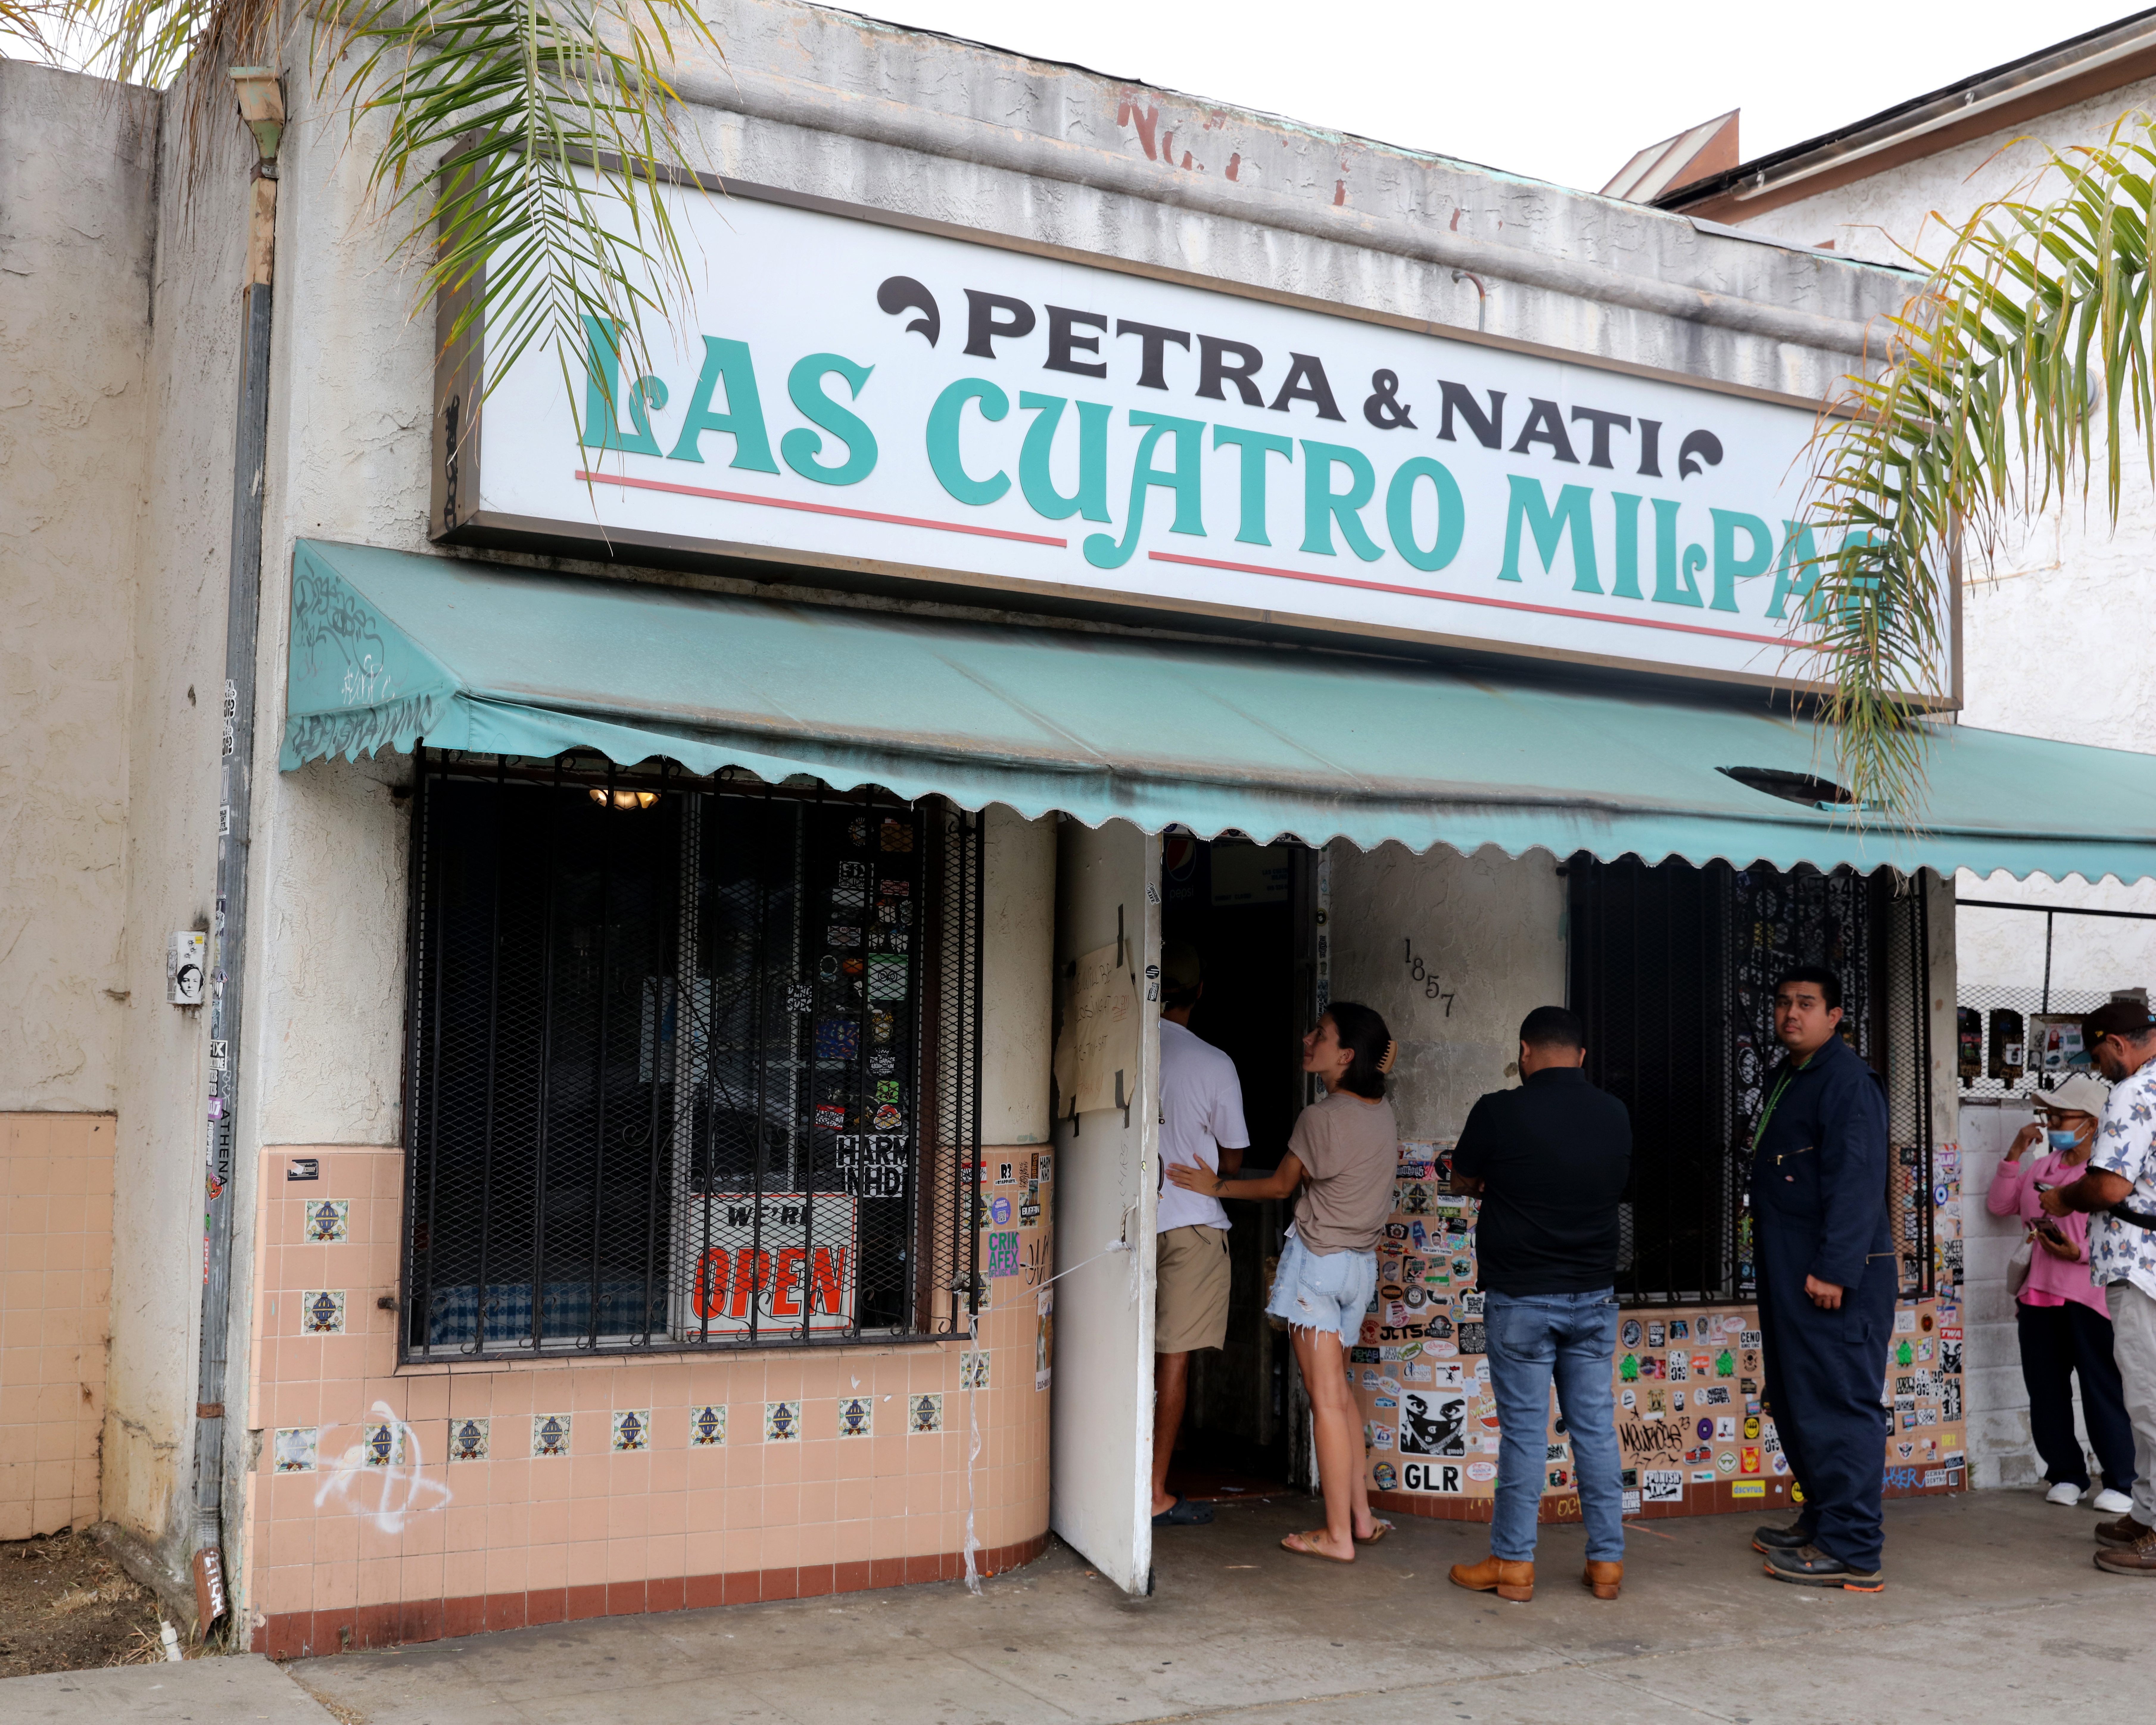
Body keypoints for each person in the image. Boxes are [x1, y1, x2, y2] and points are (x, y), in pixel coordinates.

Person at [1167, 1002, 1398, 1563]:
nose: (1307, 1039)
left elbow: (1277, 1188)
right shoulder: (1382, 1112)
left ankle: (1338, 1536)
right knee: (1340, 1394)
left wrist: (1214, 1186)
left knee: (1324, 1402)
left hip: (1317, 1267)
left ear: (1345, 1056)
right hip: (1360, 1270)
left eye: (1320, 1035)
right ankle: (1362, 1519)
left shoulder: (1319, 1119)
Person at [1444, 1005, 1632, 1604]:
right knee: (1595, 1433)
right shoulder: (1613, 1113)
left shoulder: (1497, 1110)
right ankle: (1606, 1564)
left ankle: (1513, 1566)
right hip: (1594, 1295)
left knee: (1524, 1437)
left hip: (1520, 1297)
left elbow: (1460, 1180)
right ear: (1580, 1055)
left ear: (1525, 1052)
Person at [1747, 966, 1895, 1592]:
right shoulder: (1790, 1076)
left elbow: (1857, 1181)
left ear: (1835, 1015)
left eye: (1806, 1004)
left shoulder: (1845, 1082)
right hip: (1790, 1271)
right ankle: (1821, 1520)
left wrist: (1834, 1269)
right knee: (1796, 1400)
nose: (1790, 1014)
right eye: (1783, 1003)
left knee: (1837, 1404)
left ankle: (1852, 1548)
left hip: (1833, 1277)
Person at [2039, 1000, 2156, 1575]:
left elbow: (2110, 1187)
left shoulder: (2134, 1092)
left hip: (2140, 1266)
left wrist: (2062, 1198)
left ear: (2116, 1043)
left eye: (2097, 1055)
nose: (2099, 1067)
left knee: (2149, 1401)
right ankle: (2148, 1512)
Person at [1987, 1072, 2137, 1516]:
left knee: (2101, 1390)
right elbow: (1999, 1206)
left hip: (2089, 1299)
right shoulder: (2043, 1167)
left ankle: (2121, 1480)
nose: (2053, 1122)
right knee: (2047, 1391)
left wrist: (2077, 1253)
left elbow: (2121, 1235)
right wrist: (2015, 1155)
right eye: (2048, 1114)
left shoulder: (2106, 1177)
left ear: (2092, 1122)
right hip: (2038, 1298)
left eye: (2062, 1115)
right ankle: (2066, 1473)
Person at [1150, 942, 1251, 1529]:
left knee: (1118, 1355)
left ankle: (1106, 1476)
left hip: (1130, 1221)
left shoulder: (1124, 1050)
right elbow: (1233, 1163)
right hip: (1191, 1224)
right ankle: (1156, 1492)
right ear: (1200, 993)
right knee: (1173, 1362)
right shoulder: (1213, 1063)